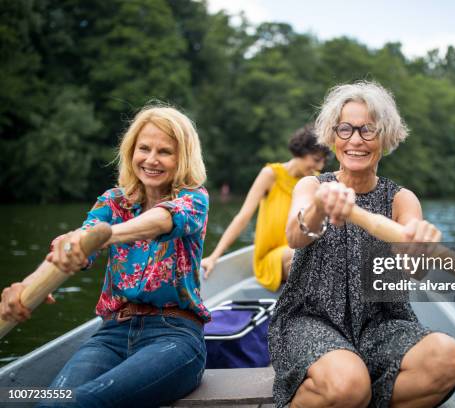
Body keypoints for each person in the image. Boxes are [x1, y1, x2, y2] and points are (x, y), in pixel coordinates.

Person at [268, 82, 455, 408]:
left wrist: (419, 249)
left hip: (381, 323)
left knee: (448, 358)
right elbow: (294, 235)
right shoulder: (311, 185)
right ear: (332, 137)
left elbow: (413, 274)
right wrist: (320, 205)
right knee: (348, 384)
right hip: (311, 319)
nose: (355, 140)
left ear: (385, 138)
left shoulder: (402, 199)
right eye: (345, 129)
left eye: (368, 130)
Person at [0, 106, 209, 408]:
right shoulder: (113, 201)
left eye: (165, 152)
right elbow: (73, 248)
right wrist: (26, 285)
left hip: (175, 337)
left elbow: (162, 221)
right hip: (112, 333)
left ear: (183, 158)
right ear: (131, 151)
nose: (151, 159)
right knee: (51, 403)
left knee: (81, 402)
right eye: (144, 148)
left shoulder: (193, 198)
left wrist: (106, 235)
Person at [201, 125, 330, 292]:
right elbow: (243, 217)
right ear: (301, 152)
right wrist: (213, 257)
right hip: (271, 257)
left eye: (323, 161)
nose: (319, 166)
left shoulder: (314, 181)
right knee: (299, 255)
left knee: (320, 255)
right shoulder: (271, 174)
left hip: (299, 249)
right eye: (315, 159)